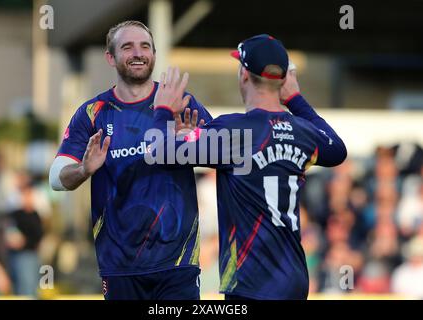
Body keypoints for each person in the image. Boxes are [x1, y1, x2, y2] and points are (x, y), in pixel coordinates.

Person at [149, 34, 347, 299]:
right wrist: (296, 99)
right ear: (283, 80)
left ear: (244, 74)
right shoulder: (302, 131)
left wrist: (162, 109)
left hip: (251, 282)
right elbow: (337, 150)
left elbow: (157, 151)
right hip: (294, 280)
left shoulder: (234, 130)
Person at [48, 20, 212, 300]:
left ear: (154, 54)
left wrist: (191, 143)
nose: (138, 53)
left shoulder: (180, 102)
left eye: (145, 46)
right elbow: (56, 178)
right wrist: (84, 169)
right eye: (128, 47)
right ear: (110, 57)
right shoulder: (93, 112)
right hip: (120, 265)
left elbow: (223, 157)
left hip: (178, 262)